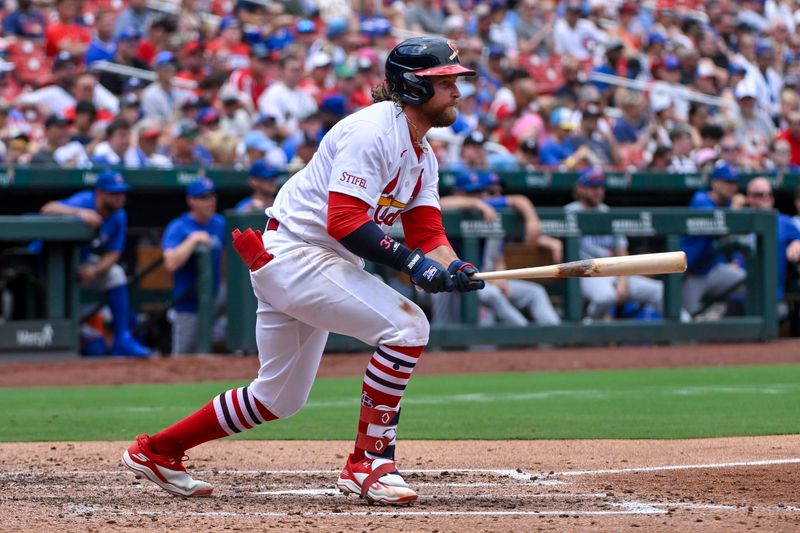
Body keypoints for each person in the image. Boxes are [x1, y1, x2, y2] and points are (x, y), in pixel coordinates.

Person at [122, 37, 484, 504]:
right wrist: (412, 264)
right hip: (297, 254)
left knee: (278, 398)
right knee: (408, 327)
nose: (456, 91)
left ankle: (158, 450)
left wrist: (452, 266)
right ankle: (368, 462)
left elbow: (428, 232)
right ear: (413, 87)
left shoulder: (422, 154)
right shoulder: (372, 130)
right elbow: (346, 221)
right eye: (445, 82)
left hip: (313, 261)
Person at [37, 170, 150, 356]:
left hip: (80, 265)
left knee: (115, 274)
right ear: (99, 193)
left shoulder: (119, 216)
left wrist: (95, 270)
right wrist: (79, 212)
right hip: (49, 264)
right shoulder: (84, 201)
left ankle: (122, 338)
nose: (120, 197)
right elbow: (47, 209)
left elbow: (114, 252)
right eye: (114, 192)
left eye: (122, 192)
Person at [436, 170, 562, 328]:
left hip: (484, 280)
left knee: (535, 292)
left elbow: (518, 200)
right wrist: (476, 203)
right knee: (490, 298)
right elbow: (441, 203)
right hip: (454, 283)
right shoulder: (458, 208)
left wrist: (532, 219)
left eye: (479, 192)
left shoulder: (486, 207)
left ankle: (555, 333)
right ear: (457, 192)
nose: (477, 196)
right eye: (471, 192)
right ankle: (525, 333)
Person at [565, 168, 667, 320]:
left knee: (660, 290)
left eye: (600, 187)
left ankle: (686, 332)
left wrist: (623, 282)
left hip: (612, 272)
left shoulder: (608, 213)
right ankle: (589, 326)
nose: (598, 191)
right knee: (606, 297)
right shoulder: (568, 212)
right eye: (592, 187)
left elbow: (622, 253)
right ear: (580, 188)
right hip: (585, 274)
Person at [160, 178, 226, 356]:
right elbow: (170, 262)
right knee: (183, 360)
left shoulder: (219, 223)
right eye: (203, 197)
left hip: (214, 301)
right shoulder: (179, 226)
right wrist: (193, 240)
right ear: (191, 201)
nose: (210, 201)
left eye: (212, 196)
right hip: (187, 306)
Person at [680, 163, 748, 317]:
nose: (732, 187)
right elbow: (721, 228)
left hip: (712, 268)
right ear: (715, 183)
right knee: (686, 321)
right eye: (727, 182)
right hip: (689, 273)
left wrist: (735, 260)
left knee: (749, 283)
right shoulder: (700, 199)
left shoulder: (727, 203)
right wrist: (734, 212)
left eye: (734, 183)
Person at [743, 177, 800, 315]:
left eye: (769, 194)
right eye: (759, 194)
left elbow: (797, 239)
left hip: (770, 296)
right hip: (736, 293)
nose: (766, 198)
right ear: (749, 198)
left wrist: (797, 243)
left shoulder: (784, 222)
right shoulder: (737, 218)